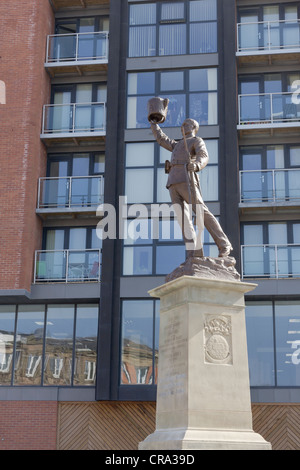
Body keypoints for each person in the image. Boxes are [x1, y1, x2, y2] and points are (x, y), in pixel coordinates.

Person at [150, 118, 232, 258]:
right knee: (183, 220)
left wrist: (197, 165)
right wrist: (154, 125)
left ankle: (224, 244)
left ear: (194, 127)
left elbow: (203, 156)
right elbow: (162, 139)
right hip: (173, 183)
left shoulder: (196, 141)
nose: (182, 127)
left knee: (201, 212)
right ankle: (194, 253)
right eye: (181, 125)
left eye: (186, 124)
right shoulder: (177, 145)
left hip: (187, 180)